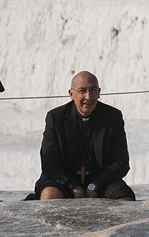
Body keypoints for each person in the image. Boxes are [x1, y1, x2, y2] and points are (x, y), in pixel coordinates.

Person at [32, 71, 135, 201]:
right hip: (63, 181)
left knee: (125, 199)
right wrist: (72, 186)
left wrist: (95, 185)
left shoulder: (113, 117)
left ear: (99, 92)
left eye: (93, 90)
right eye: (82, 91)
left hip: (102, 181)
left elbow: (121, 162)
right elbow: (49, 163)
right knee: (49, 194)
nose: (88, 97)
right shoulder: (55, 118)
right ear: (71, 94)